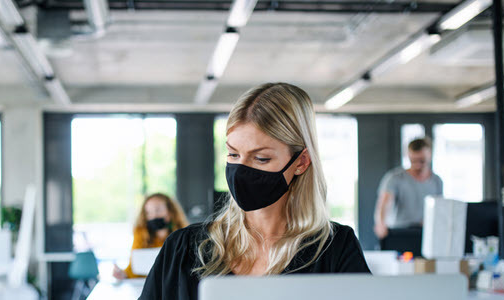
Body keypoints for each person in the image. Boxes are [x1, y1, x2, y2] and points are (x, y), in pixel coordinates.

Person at [140, 83, 370, 300]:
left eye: (261, 158)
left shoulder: (334, 249)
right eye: (233, 155)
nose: (241, 171)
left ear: (300, 162)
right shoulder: (183, 248)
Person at [373, 138, 443, 240]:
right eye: (413, 161)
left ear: (430, 155)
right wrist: (381, 223)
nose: (418, 165)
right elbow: (384, 203)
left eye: (422, 161)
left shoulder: (437, 181)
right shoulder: (395, 178)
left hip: (426, 233)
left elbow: (439, 208)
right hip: (400, 232)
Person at [113, 193, 189, 280]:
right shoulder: (140, 233)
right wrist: (122, 274)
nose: (153, 216)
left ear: (170, 212)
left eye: (158, 210)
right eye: (148, 212)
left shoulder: (183, 234)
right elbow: (133, 268)